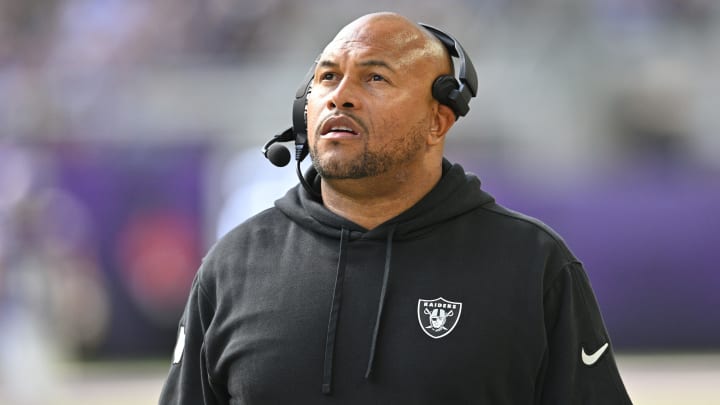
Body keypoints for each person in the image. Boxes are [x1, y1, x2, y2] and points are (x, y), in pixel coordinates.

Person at [159, 12, 633, 404]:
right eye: (327, 77)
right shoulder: (233, 267)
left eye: (375, 77)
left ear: (438, 119)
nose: (340, 95)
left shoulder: (533, 264)